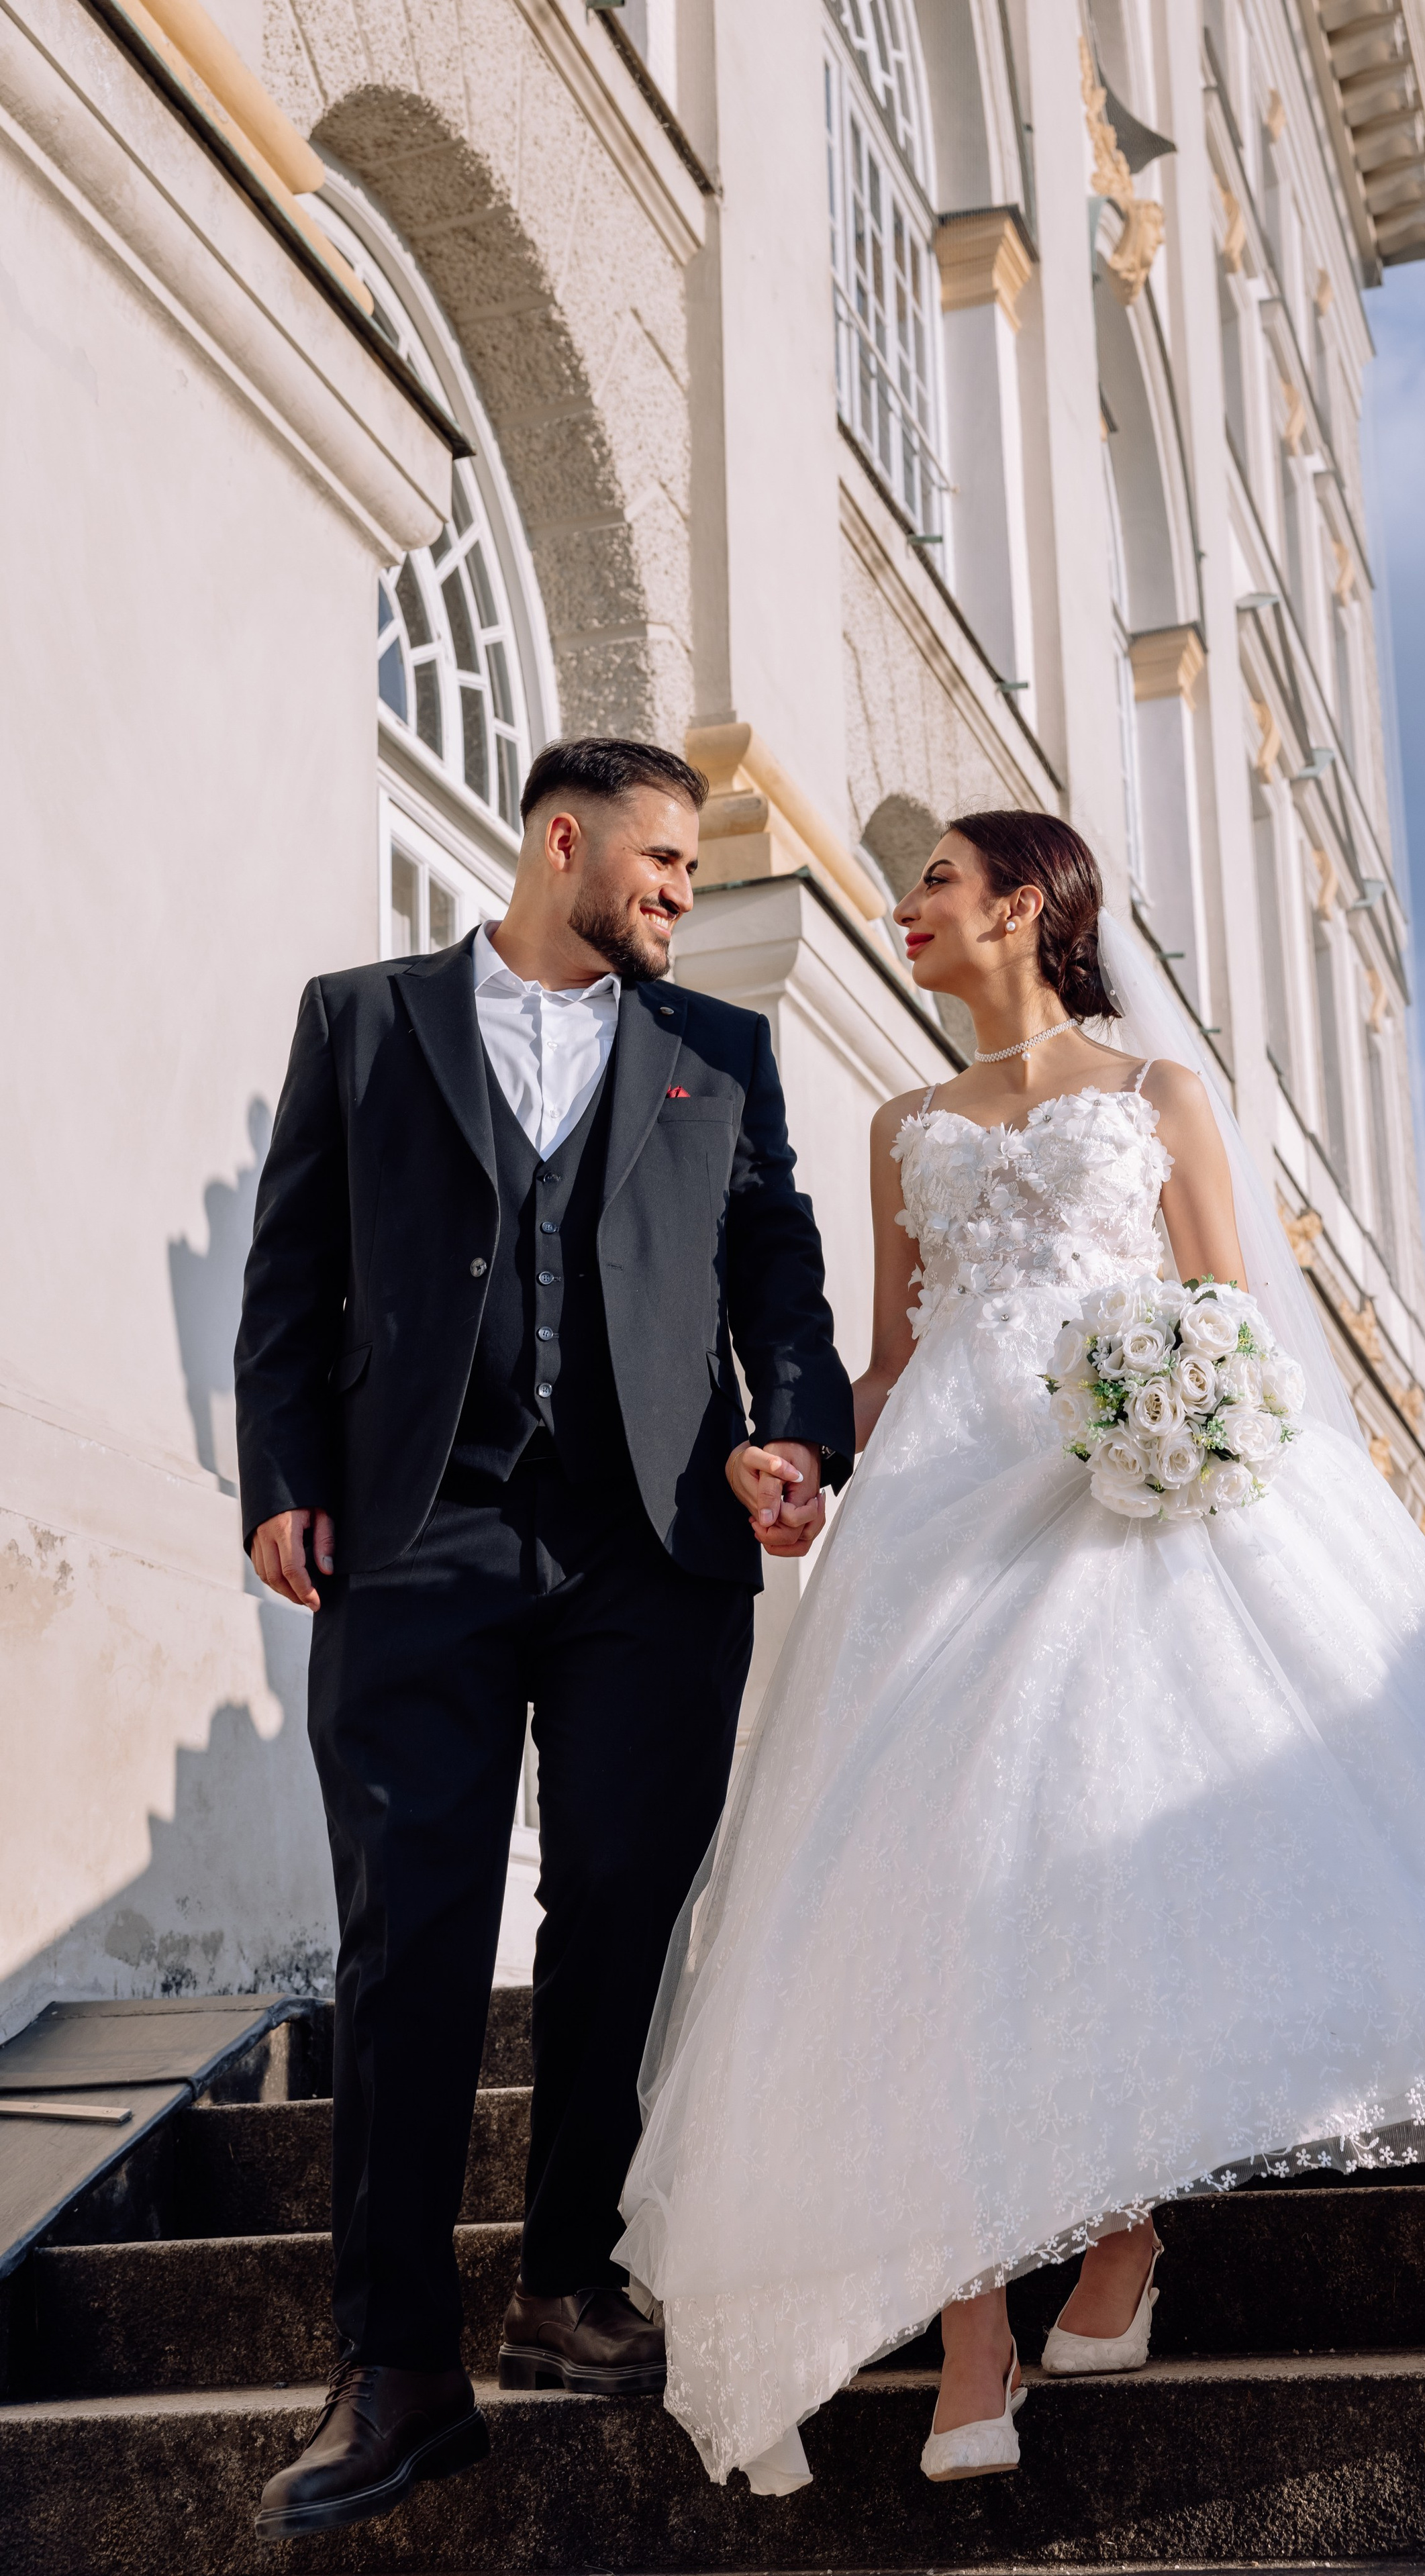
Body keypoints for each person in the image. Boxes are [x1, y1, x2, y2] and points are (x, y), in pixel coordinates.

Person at [616, 807, 1425, 2494]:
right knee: (917, 1889)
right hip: (930, 1526)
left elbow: (1235, 1315)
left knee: (1068, 1870)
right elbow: (898, 1350)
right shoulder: (902, 1118)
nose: (904, 905)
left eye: (933, 882)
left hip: (1107, 1503)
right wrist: (799, 1456)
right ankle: (970, 2323)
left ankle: (1120, 2230)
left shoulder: (1156, 1099)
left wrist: (1184, 1429)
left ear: (1025, 907)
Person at [234, 736, 853, 2539]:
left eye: (693, 874)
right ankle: (395, 2358)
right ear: (561, 840)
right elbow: (295, 1273)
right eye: (662, 862)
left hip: (651, 1543)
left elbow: (780, 1268)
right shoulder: (361, 1020)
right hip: (417, 1531)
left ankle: (567, 2275)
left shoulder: (719, 1054)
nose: (680, 894)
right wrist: (281, 1471)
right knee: (407, 1933)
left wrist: (794, 1426)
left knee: (618, 1911)